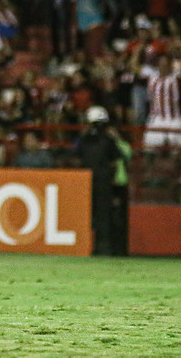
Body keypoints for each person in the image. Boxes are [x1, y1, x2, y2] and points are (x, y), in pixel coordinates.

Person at [76, 105, 120, 256]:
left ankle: (84, 246)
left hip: (85, 182)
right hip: (103, 181)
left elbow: (76, 156)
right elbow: (117, 159)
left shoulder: (84, 140)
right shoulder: (108, 140)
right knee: (103, 216)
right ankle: (103, 247)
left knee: (87, 215)